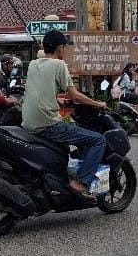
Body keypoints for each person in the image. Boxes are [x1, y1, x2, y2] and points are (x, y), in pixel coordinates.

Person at [22, 29, 109, 201]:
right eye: (64, 47)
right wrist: (98, 103)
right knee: (98, 140)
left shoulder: (32, 64)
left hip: (28, 123)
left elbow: (40, 90)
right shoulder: (59, 65)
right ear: (60, 48)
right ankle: (81, 182)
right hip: (48, 124)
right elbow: (74, 96)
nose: (65, 50)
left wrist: (57, 100)